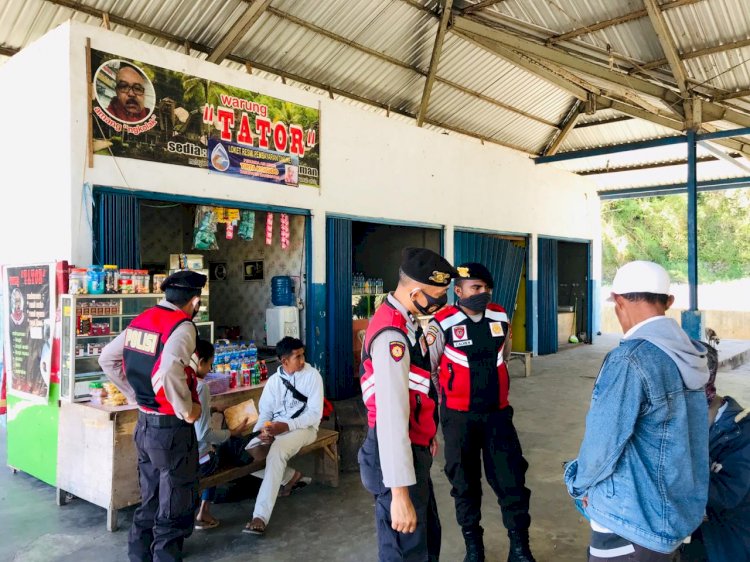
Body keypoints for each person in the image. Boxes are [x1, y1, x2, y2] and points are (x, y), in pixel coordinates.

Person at [564, 261, 710, 561]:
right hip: (675, 513)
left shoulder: (630, 360)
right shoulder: (691, 353)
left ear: (618, 302)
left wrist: (578, 485)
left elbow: (603, 442)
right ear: (668, 302)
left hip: (630, 521)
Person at [428, 263, 535, 562]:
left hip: (498, 416)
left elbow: (505, 355)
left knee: (511, 479)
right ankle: (474, 548)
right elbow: (431, 370)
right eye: (475, 288)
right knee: (464, 483)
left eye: (486, 288)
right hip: (459, 419)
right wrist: (448, 401)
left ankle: (519, 547)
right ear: (458, 291)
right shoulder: (442, 323)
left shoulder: (500, 315)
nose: (482, 293)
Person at [99, 270, 206, 562]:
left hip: (144, 425)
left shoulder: (141, 320)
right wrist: (188, 410)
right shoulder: (182, 327)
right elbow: (169, 371)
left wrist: (136, 396)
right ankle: (165, 557)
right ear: (194, 301)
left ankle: (138, 554)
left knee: (151, 495)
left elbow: (107, 358)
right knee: (175, 499)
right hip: (171, 429)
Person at [359, 247, 457, 562]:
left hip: (412, 449)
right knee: (406, 551)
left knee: (425, 542)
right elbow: (389, 417)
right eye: (438, 295)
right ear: (415, 292)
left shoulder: (406, 320)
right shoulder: (392, 335)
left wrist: (426, 437)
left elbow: (417, 390)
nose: (442, 301)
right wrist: (399, 493)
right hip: (393, 460)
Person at [243, 336, 323, 535]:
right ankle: (289, 476)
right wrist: (263, 432)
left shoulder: (313, 376)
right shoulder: (273, 382)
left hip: (305, 429)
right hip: (278, 429)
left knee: (277, 451)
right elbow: (265, 414)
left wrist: (286, 426)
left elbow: (314, 414)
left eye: (303, 355)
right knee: (246, 452)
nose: (303, 360)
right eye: (298, 357)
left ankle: (260, 516)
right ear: (284, 361)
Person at [681, 344, 750, 562]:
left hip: (725, 546)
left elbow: (727, 494)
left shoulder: (742, 433)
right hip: (691, 542)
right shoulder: (680, 422)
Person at [191, 339, 253, 531]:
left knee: (217, 446)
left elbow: (190, 413)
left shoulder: (181, 380)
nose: (210, 370)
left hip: (183, 456)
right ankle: (204, 510)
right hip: (201, 464)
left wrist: (213, 408)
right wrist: (232, 432)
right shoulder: (201, 387)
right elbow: (204, 433)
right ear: (200, 362)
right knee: (229, 448)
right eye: (210, 364)